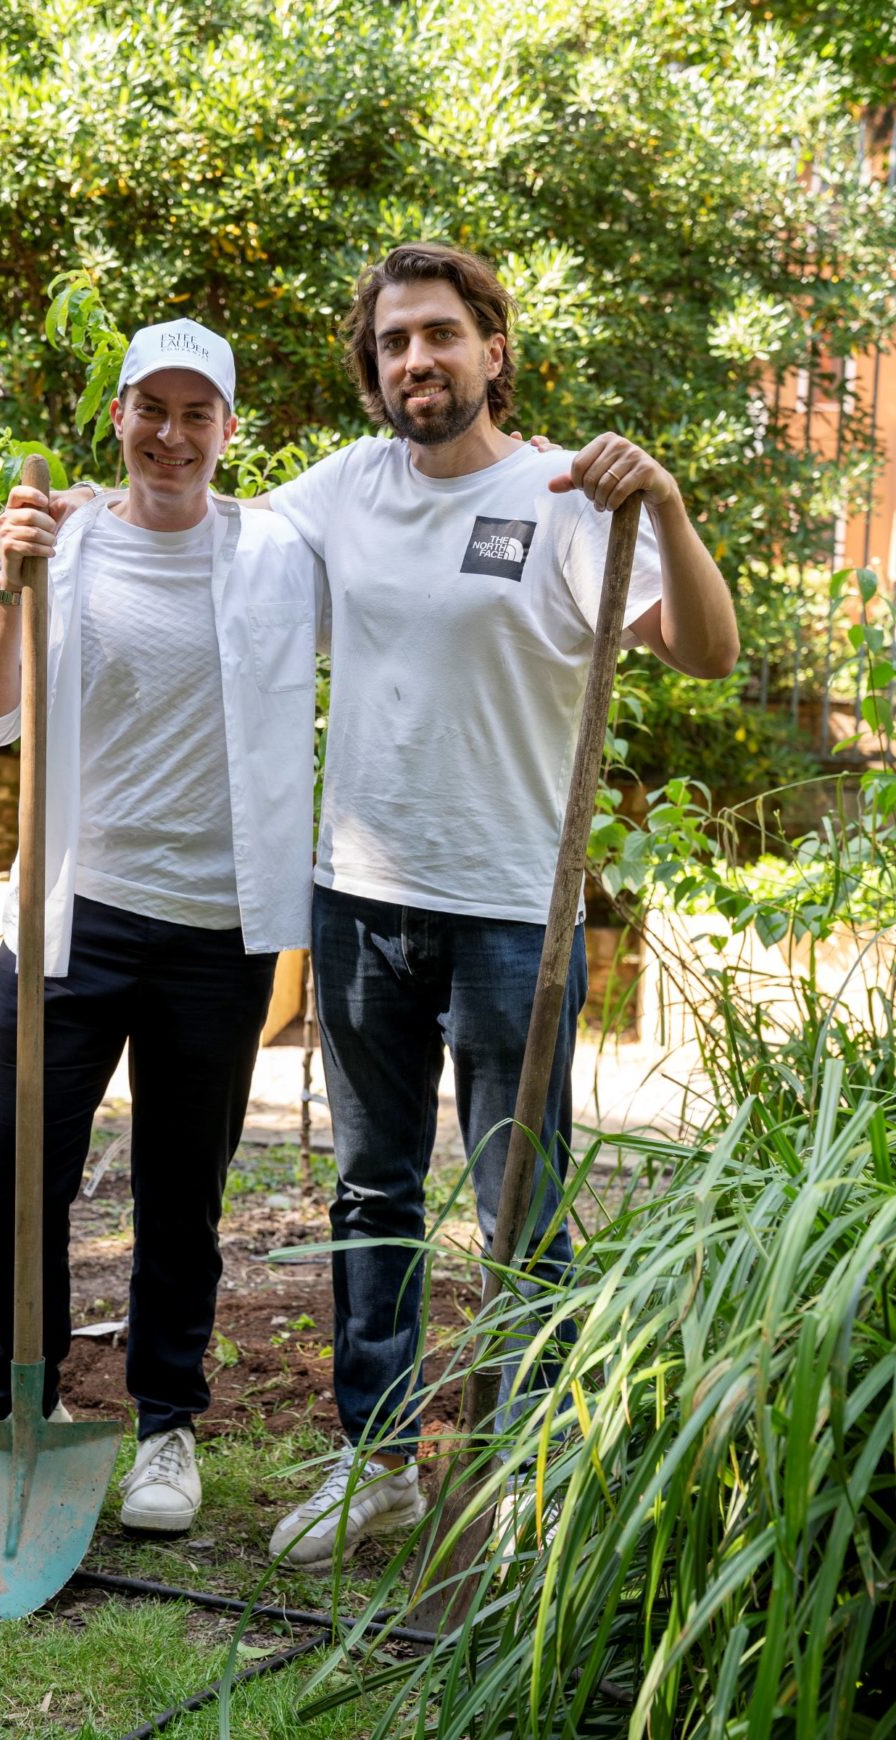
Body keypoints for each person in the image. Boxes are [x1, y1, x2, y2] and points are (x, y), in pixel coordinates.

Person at [253, 242, 740, 1569]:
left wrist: (676, 509)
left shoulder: (576, 495)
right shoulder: (338, 492)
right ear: (374, 368)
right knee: (372, 1190)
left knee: (520, 1193)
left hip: (514, 908)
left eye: (440, 335)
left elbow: (709, 653)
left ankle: (529, 1461)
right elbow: (216, 559)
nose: (418, 360)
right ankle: (381, 1460)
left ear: (492, 349)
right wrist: (93, 520)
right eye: (395, 342)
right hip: (359, 900)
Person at [0, 318, 326, 1534]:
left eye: (195, 411)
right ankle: (26, 1405)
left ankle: (167, 1426)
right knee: (19, 1173)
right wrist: (7, 582)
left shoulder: (276, 552)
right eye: (148, 408)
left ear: (225, 428)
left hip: (218, 929)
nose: (170, 433)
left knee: (181, 1190)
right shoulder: (60, 543)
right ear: (116, 416)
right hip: (71, 921)